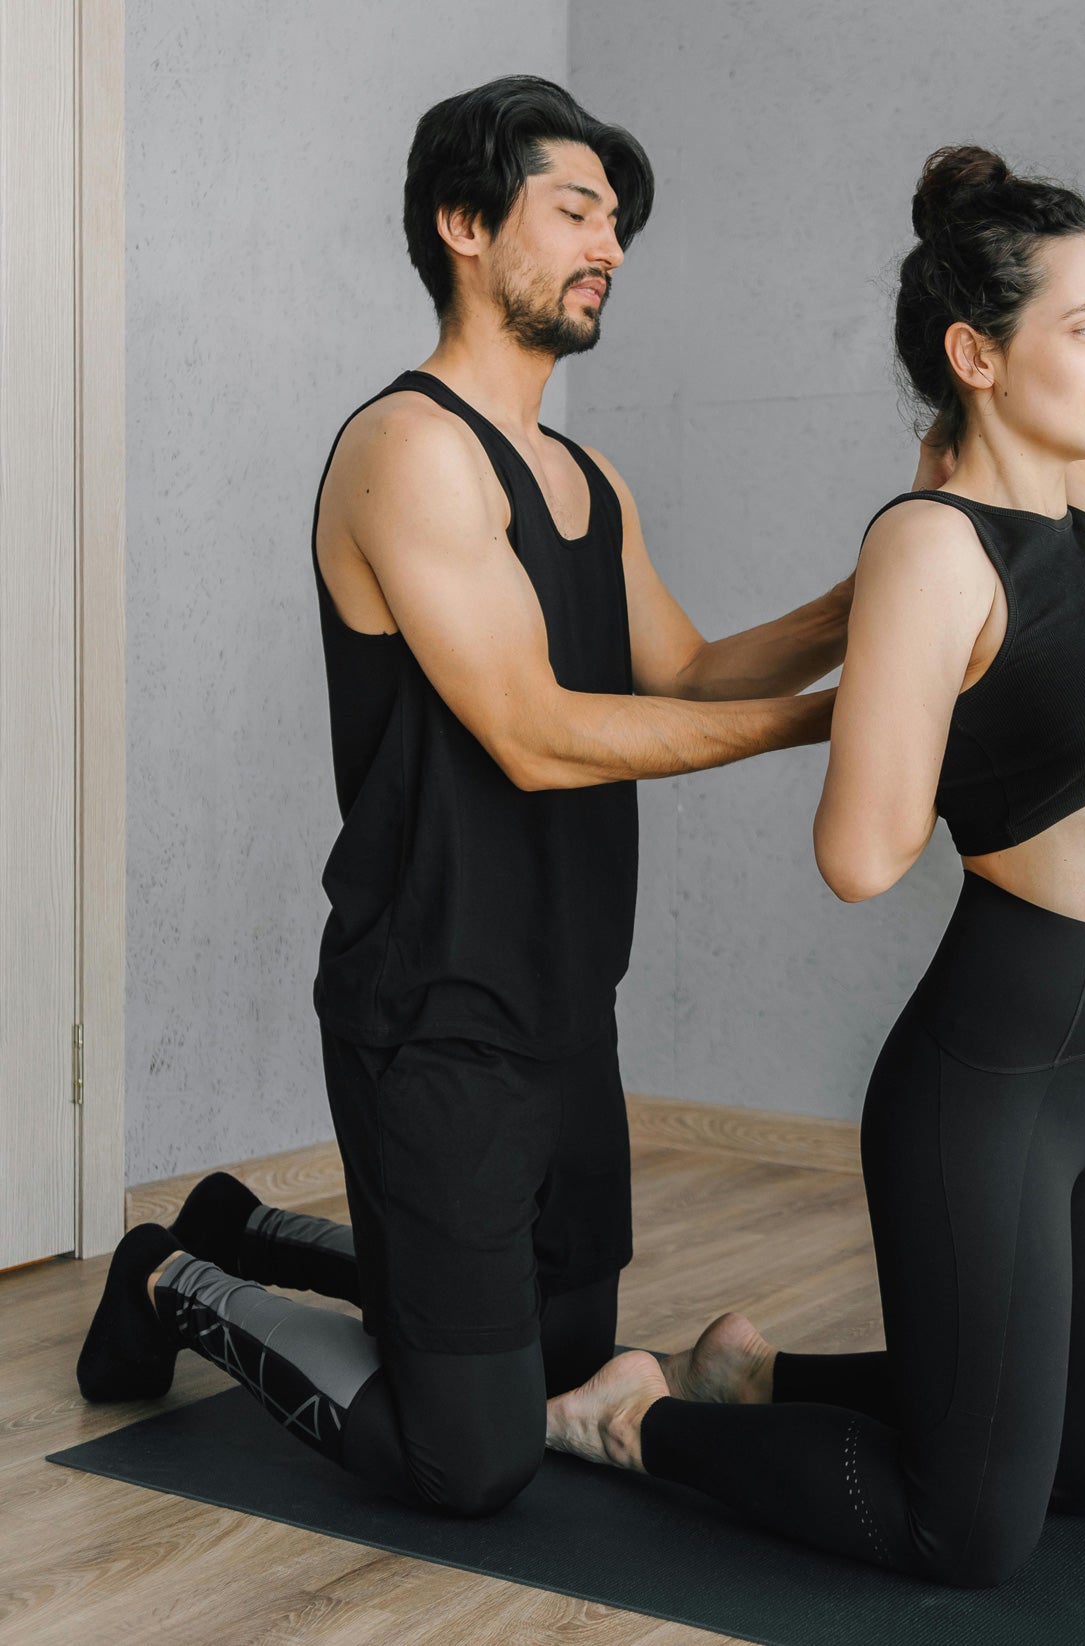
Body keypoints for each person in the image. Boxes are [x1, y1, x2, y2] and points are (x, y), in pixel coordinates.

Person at [75, 75, 854, 1518]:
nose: (607, 244)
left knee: (558, 1355)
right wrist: (831, 723)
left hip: (563, 1001)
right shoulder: (409, 449)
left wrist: (874, 601)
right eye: (574, 210)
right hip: (429, 1006)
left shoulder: (583, 473)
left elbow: (680, 672)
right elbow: (537, 733)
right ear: (462, 224)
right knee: (474, 1449)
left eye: (615, 222)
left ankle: (246, 1222)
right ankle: (176, 1273)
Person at [545, 143, 1085, 1587]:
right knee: (969, 1527)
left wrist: (993, 235)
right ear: (977, 354)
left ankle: (758, 1371)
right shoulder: (930, 544)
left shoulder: (1084, 520)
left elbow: (1061, 452)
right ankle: (637, 1419)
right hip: (992, 1076)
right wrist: (891, 692)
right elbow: (861, 857)